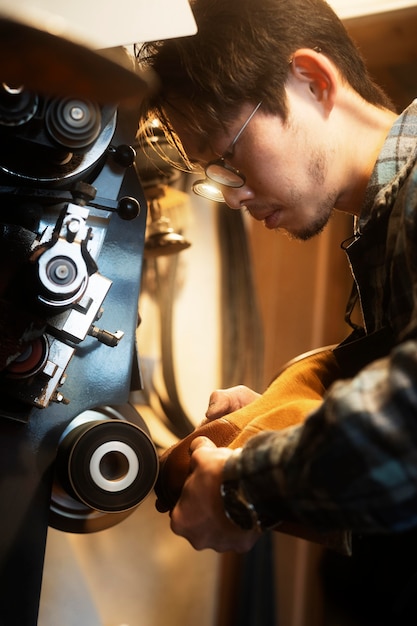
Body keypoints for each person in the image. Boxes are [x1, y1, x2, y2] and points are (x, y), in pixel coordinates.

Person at [137, 0, 417, 621]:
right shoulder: (384, 228)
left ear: (313, 80)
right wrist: (288, 418)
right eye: (215, 174)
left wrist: (244, 488)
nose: (234, 195)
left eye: (231, 156)